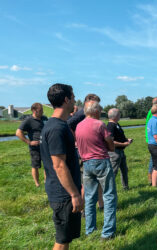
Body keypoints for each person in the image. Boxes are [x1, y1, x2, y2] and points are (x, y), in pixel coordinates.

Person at [40, 83, 83, 249]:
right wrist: (74, 194)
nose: (75, 100)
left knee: (66, 238)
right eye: (73, 97)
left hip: (60, 190)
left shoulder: (52, 125)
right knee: (62, 240)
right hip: (63, 193)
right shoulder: (57, 128)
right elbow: (58, 165)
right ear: (66, 100)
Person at [75, 101, 117, 240]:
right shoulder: (99, 124)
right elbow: (109, 142)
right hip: (101, 161)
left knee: (89, 197)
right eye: (99, 110)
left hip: (86, 163)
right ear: (94, 111)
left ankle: (89, 230)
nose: (100, 112)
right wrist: (110, 146)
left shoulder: (78, 125)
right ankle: (107, 232)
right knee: (109, 196)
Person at [67, 94, 104, 209]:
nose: (97, 106)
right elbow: (68, 125)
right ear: (89, 102)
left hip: (92, 151)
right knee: (86, 183)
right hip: (84, 152)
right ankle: (82, 209)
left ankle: (101, 204)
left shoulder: (90, 114)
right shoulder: (82, 113)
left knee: (96, 181)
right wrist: (76, 139)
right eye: (96, 103)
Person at [16, 103, 48, 187]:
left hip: (45, 146)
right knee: (35, 165)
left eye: (42, 110)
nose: (42, 112)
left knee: (47, 164)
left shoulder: (44, 118)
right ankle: (37, 183)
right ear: (34, 111)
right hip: (35, 148)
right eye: (40, 110)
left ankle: (46, 181)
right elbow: (18, 132)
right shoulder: (28, 120)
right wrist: (29, 142)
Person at [107, 108, 133, 190]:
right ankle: (109, 190)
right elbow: (110, 141)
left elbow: (119, 137)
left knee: (124, 170)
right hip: (115, 152)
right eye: (119, 114)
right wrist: (123, 144)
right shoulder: (110, 126)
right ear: (115, 116)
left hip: (121, 151)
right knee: (113, 172)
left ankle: (125, 187)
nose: (120, 116)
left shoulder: (116, 124)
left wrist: (126, 140)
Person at [145, 97, 157, 185]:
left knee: (153, 158)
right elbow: (152, 128)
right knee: (153, 159)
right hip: (153, 140)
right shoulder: (153, 113)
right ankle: (151, 177)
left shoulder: (152, 112)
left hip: (152, 139)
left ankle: (152, 175)